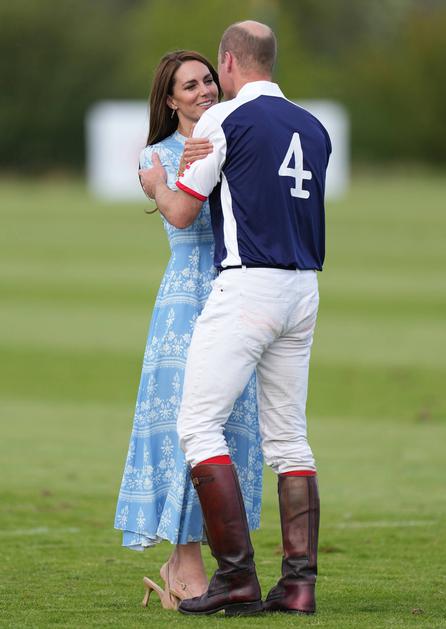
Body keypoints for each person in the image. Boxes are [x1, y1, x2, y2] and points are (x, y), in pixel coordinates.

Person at [139, 20, 331, 617]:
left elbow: (181, 210)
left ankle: (236, 579)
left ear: (228, 62)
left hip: (248, 286)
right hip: (304, 287)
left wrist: (156, 183)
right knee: (290, 439)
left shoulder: (224, 119)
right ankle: (298, 587)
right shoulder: (314, 126)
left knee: (198, 426)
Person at [114, 50, 263, 611]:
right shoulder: (156, 155)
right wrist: (167, 180)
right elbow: (182, 212)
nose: (204, 90)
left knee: (231, 426)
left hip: (237, 287)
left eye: (208, 80)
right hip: (185, 299)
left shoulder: (233, 137)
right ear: (170, 99)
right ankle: (185, 560)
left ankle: (211, 559)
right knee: (186, 422)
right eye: (190, 85)